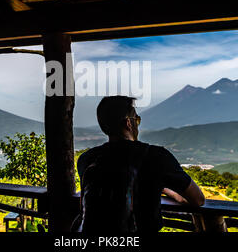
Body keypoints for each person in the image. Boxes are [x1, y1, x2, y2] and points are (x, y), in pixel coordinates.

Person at [76, 96, 205, 232]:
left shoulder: (87, 159)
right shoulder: (156, 156)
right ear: (128, 123)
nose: (138, 124)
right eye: (136, 119)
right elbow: (198, 199)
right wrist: (164, 189)